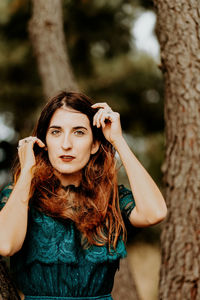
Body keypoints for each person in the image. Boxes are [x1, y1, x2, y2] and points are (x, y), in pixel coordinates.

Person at [0, 91, 167, 300]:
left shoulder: (110, 197)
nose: (66, 144)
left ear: (95, 143)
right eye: (56, 132)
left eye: (79, 132)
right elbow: (5, 244)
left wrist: (118, 141)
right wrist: (27, 171)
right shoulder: (21, 195)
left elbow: (155, 213)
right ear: (43, 141)